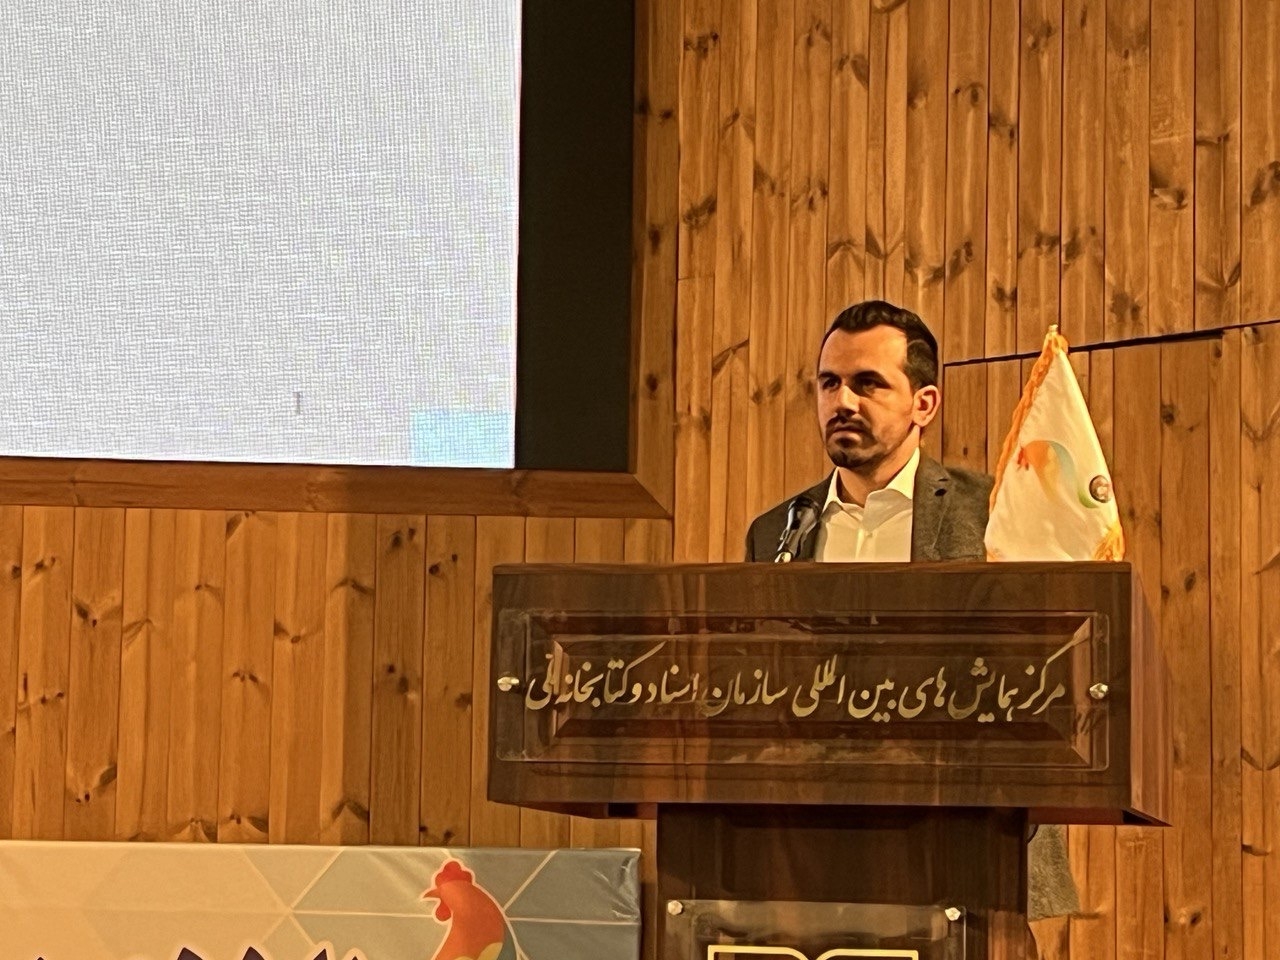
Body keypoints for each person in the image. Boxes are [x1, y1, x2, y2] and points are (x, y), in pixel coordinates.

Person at [743, 299, 1080, 925]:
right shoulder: (778, 532)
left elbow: (1044, 669)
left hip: (973, 846)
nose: (842, 401)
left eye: (868, 383)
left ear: (924, 404)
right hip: (814, 852)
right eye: (828, 383)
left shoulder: (994, 513)